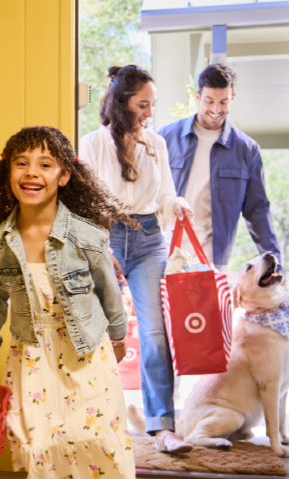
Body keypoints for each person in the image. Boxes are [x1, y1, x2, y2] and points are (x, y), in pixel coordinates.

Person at [0, 126, 137, 479]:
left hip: (83, 344)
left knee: (85, 426)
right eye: (21, 163)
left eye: (45, 164)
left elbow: (109, 292)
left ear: (64, 175)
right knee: (42, 430)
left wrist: (118, 338)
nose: (32, 172)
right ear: (7, 172)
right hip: (31, 347)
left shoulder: (86, 236)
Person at [79, 65, 195, 454]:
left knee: (155, 334)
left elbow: (165, 196)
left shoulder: (156, 144)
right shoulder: (93, 144)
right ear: (122, 102)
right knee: (98, 332)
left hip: (148, 239)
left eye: (152, 105)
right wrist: (100, 245)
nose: (149, 112)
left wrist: (177, 204)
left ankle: (162, 427)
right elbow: (86, 202)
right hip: (105, 236)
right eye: (143, 104)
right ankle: (93, 422)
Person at [158, 63, 280, 271]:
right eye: (209, 101)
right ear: (198, 97)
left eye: (223, 101)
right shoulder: (166, 138)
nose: (216, 110)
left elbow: (257, 210)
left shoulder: (246, 149)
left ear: (232, 98)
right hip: (164, 253)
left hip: (211, 261)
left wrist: (275, 263)